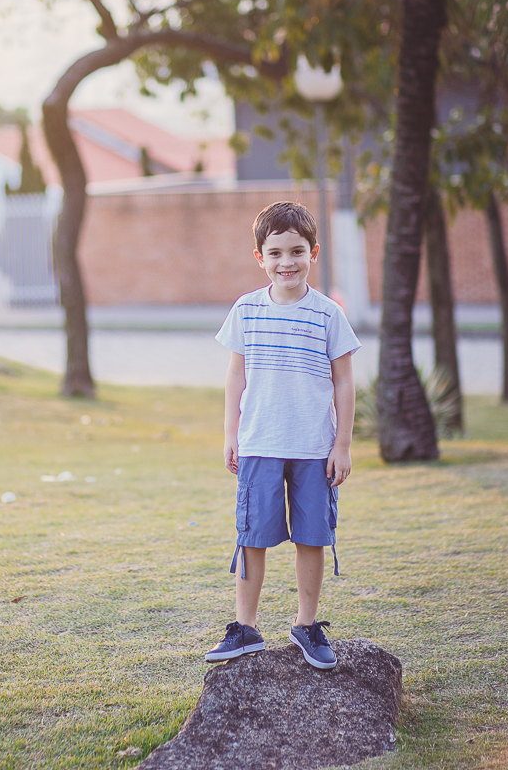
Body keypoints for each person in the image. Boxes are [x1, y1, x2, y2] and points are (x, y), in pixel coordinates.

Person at [205, 201, 360, 670]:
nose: (286, 262)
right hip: (259, 444)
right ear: (260, 258)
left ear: (313, 252)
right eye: (275, 253)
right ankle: (245, 627)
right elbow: (236, 376)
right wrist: (231, 434)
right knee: (252, 536)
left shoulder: (328, 314)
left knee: (312, 537)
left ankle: (306, 625)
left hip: (314, 447)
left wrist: (343, 444)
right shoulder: (246, 309)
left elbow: (345, 382)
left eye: (296, 251)